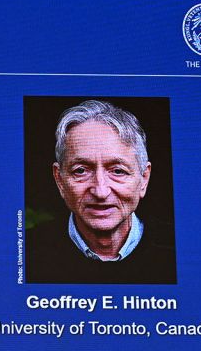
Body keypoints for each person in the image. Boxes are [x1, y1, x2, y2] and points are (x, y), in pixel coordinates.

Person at [26, 99, 175, 284]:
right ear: (60, 180)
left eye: (118, 171)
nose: (100, 191)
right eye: (81, 170)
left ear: (144, 179)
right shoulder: (27, 255)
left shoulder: (179, 252)